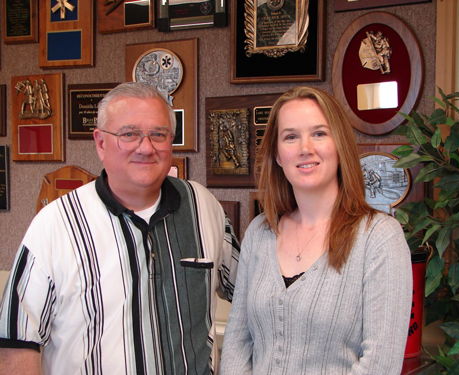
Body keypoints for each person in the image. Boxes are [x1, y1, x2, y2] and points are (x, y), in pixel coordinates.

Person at [0, 82, 240, 374]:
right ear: (101, 143)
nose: (146, 147)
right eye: (129, 134)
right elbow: (16, 341)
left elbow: (248, 293)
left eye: (158, 134)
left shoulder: (204, 207)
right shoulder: (55, 225)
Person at [220, 86, 412, 374]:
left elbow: (380, 363)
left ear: (340, 145)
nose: (305, 148)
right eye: (291, 137)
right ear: (277, 154)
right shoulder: (260, 232)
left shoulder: (379, 237)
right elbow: (236, 342)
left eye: (319, 133)